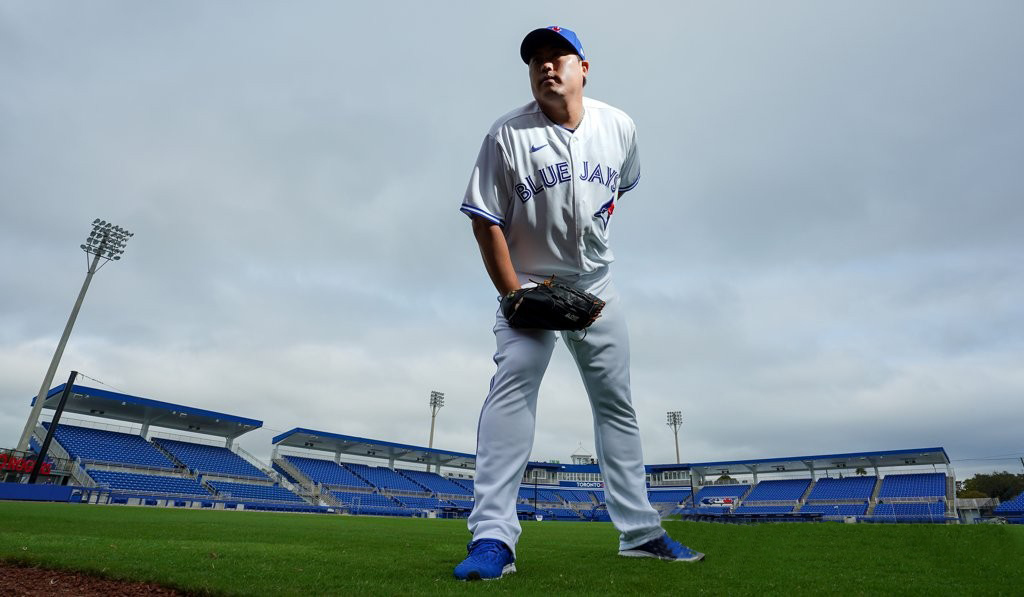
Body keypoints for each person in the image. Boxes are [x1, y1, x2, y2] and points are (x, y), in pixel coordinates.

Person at [454, 26, 705, 581]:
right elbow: (484, 220)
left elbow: (619, 189)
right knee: (514, 383)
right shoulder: (506, 135)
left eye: (558, 57)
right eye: (536, 61)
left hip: (596, 283)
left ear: (583, 68)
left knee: (616, 401)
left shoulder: (619, 127)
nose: (546, 67)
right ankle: (493, 536)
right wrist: (513, 295)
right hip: (529, 281)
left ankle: (640, 533)